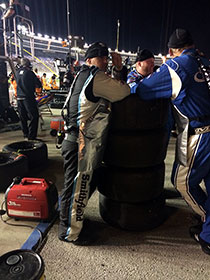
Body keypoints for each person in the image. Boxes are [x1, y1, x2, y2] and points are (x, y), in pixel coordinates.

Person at [130, 28, 210, 256]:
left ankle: (207, 221)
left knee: (182, 181)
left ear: (172, 51)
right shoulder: (206, 60)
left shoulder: (175, 66)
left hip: (201, 134)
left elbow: (143, 90)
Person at [59, 42, 130, 245]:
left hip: (74, 140)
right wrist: (119, 70)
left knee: (79, 186)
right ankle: (70, 232)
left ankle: (73, 221)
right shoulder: (96, 77)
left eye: (107, 57)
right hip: (79, 144)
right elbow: (123, 92)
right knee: (77, 189)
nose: (106, 61)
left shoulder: (81, 75)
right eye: (101, 57)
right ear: (89, 60)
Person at [16, 57, 42, 140]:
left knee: (23, 117)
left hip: (19, 98)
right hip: (28, 98)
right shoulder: (29, 73)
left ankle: (25, 135)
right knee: (34, 116)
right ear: (28, 65)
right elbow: (38, 84)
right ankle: (32, 137)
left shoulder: (17, 72)